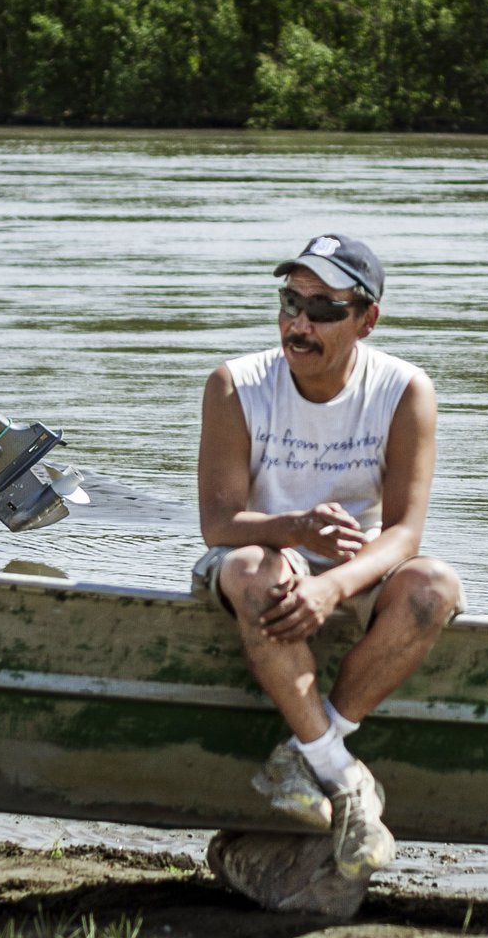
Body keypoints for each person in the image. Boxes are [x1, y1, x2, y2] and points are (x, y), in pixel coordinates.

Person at [194, 234, 464, 879]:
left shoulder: (405, 391)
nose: (298, 323)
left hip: (353, 568)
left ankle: (301, 755)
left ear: (367, 319)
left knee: (434, 587)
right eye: (290, 301)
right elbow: (218, 524)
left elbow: (403, 536)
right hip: (254, 559)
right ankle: (343, 777)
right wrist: (293, 531)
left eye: (323, 309)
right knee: (259, 570)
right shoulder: (235, 383)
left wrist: (332, 587)